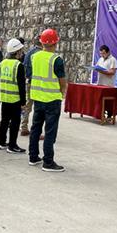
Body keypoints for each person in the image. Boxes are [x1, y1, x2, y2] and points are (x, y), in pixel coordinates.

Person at [28, 28, 67, 172]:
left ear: (42, 42)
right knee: (50, 132)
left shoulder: (34, 57)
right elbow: (62, 80)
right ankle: (48, 162)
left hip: (38, 98)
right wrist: (63, 92)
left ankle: (33, 157)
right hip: (52, 100)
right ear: (55, 43)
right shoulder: (56, 60)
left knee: (35, 128)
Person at [0, 38, 27, 154]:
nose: (22, 53)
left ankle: (1, 143)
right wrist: (23, 102)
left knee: (4, 121)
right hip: (15, 99)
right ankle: (12, 145)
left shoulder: (2, 63)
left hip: (4, 97)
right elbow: (21, 86)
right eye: (21, 50)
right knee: (15, 123)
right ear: (17, 51)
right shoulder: (18, 65)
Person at [20, 36, 42, 136]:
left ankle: (23, 127)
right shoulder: (41, 54)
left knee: (28, 106)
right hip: (38, 83)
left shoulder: (29, 52)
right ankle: (36, 131)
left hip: (29, 81)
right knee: (38, 108)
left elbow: (24, 67)